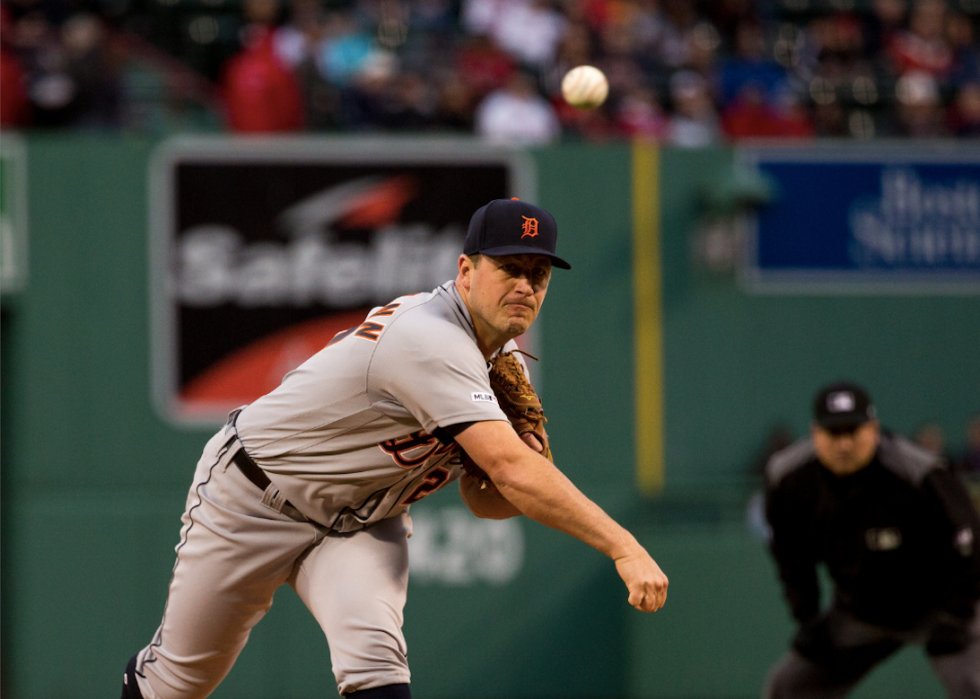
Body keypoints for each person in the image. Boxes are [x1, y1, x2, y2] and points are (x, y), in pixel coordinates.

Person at [120, 198, 669, 699]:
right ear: (466, 271)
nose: (526, 286)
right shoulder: (429, 339)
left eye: (539, 274)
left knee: (377, 668)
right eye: (509, 268)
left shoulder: (501, 363)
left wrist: (522, 457)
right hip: (253, 498)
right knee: (177, 684)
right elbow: (509, 469)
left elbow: (488, 498)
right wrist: (622, 545)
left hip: (360, 520)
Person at [763, 381, 980, 699]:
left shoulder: (918, 472)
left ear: (874, 429)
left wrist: (957, 613)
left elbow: (970, 539)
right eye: (833, 433)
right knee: (787, 687)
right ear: (814, 433)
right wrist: (808, 617)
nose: (845, 444)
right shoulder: (788, 477)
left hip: (943, 606)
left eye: (854, 431)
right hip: (861, 613)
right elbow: (789, 552)